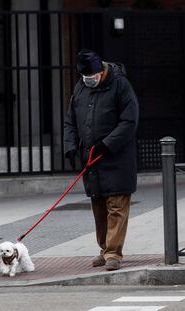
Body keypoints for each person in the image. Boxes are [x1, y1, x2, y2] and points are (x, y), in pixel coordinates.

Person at [64, 49, 139, 271]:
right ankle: (105, 248)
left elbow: (129, 121)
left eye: (92, 78)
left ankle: (113, 253)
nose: (89, 81)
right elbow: (70, 121)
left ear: (101, 72)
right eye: (85, 78)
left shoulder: (120, 85)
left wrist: (106, 145)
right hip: (91, 160)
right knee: (98, 206)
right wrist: (70, 148)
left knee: (116, 205)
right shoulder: (80, 88)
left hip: (116, 159)